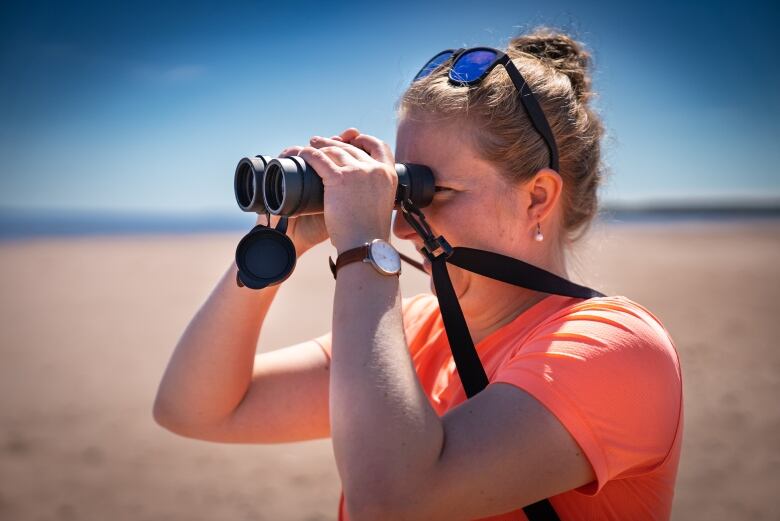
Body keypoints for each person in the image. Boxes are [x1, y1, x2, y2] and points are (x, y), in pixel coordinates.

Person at [153, 26, 683, 521]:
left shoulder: (616, 348)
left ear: (537, 198)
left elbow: (391, 500)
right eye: (401, 193)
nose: (406, 225)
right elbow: (195, 408)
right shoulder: (412, 333)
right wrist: (275, 248)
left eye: (433, 193)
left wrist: (365, 244)